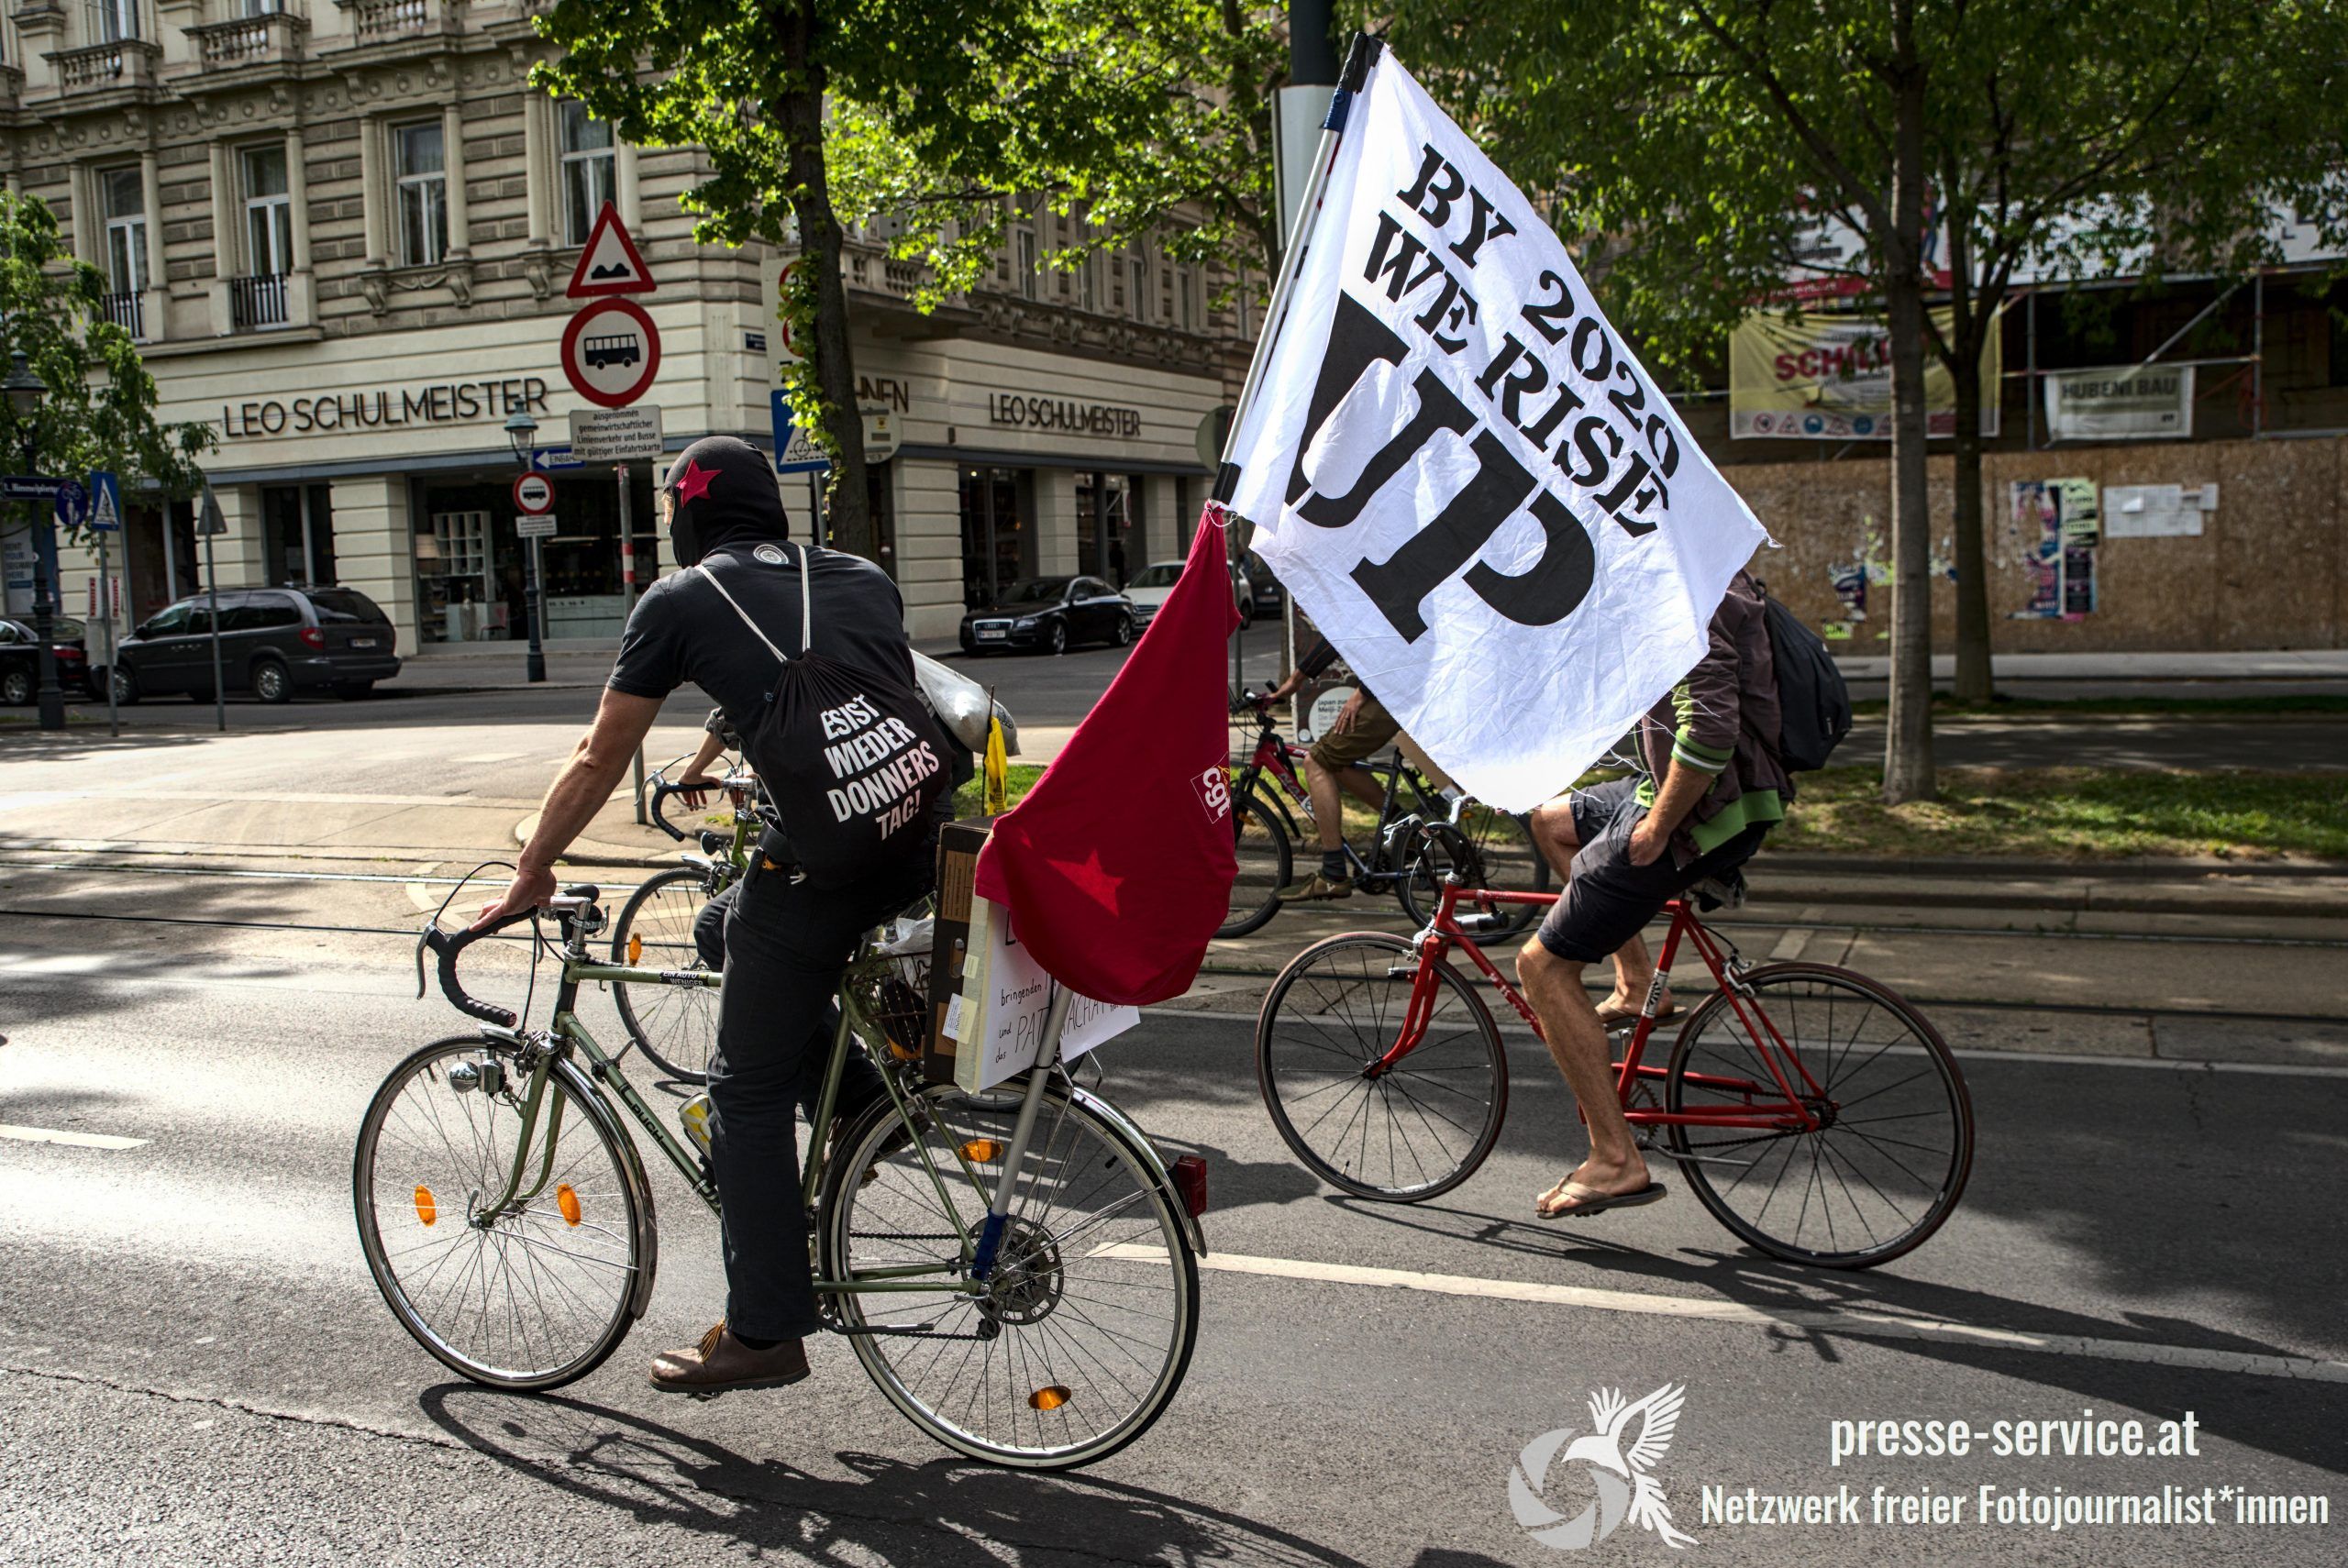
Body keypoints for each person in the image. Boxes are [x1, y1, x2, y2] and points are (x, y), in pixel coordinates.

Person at [472, 433, 939, 1396]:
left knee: (746, 1098)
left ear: (687, 515)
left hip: (825, 861)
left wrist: (534, 867)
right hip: (918, 836)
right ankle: (857, 1106)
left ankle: (764, 1333)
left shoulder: (679, 601)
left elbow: (601, 757)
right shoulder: (860, 573)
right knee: (723, 924)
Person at [1514, 569, 1789, 1220]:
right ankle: (1637, 984)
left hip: (1703, 811)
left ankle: (1615, 1160)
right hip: (1712, 790)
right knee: (1550, 821)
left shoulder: (1688, 588)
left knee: (1541, 967)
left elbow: (1711, 731)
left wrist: (1658, 828)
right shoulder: (1707, 566)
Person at [1263, 635, 1402, 900]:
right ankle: (1407, 831)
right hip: (1394, 688)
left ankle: (1333, 873)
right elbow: (1335, 638)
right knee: (1335, 761)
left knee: (1316, 761)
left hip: (1388, 690)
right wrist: (1293, 683)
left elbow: (1399, 639)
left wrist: (1362, 693)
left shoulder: (1366, 593)